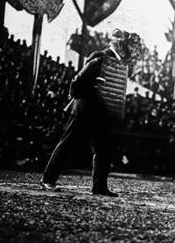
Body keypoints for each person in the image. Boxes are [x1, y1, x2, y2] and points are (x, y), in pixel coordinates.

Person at [41, 29, 144, 196]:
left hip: (100, 113)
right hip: (85, 110)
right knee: (67, 145)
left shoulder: (117, 63)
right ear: (121, 46)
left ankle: (99, 187)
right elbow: (77, 82)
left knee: (103, 149)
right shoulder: (101, 57)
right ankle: (47, 180)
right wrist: (87, 98)